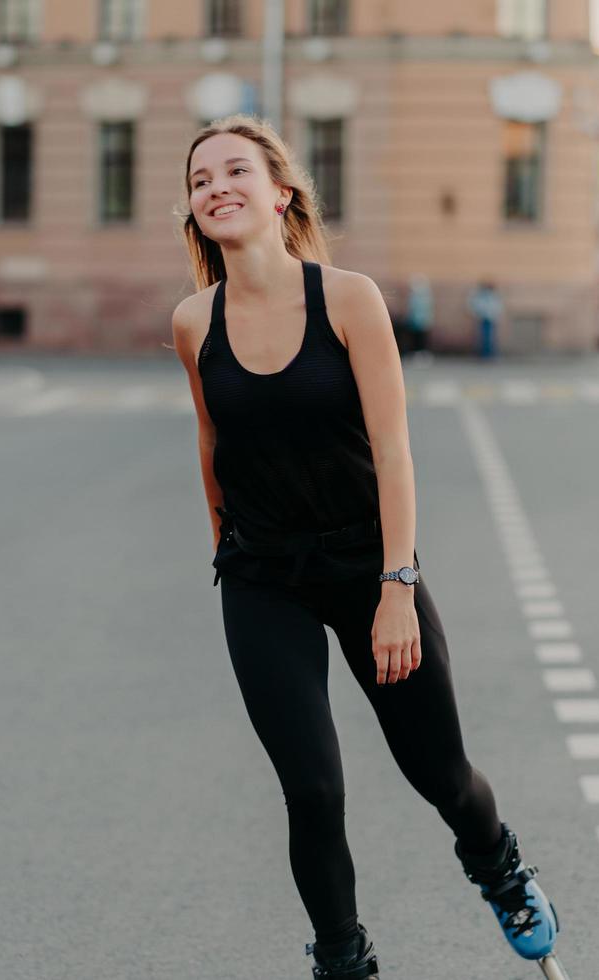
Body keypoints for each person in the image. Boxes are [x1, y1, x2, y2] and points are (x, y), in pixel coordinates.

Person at [171, 116, 560, 980]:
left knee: (442, 775)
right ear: (195, 211)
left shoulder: (347, 300)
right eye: (201, 180)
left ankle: (497, 863)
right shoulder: (194, 322)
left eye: (235, 171)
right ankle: (344, 960)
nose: (217, 187)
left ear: (281, 194)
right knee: (311, 789)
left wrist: (395, 586)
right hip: (262, 575)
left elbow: (392, 452)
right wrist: (227, 556)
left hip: (367, 565)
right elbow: (212, 445)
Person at [467, 280, 503, 360]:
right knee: (484, 337)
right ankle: (485, 354)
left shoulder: (493, 295)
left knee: (490, 337)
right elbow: (475, 305)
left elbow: (497, 306)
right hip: (484, 318)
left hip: (491, 318)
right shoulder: (480, 295)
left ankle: (490, 354)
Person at [404, 274, 433, 363]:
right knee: (415, 338)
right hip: (416, 321)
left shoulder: (423, 296)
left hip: (421, 321)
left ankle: (421, 355)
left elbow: (423, 309)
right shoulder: (415, 296)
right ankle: (416, 354)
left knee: (421, 339)